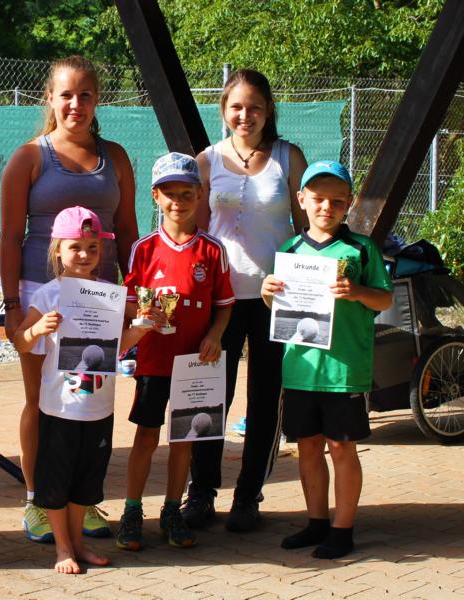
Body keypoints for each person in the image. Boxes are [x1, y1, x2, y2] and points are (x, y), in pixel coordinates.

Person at [0, 55, 138, 543]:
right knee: (42, 402)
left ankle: (81, 500)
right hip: (41, 295)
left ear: (97, 100)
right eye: (66, 94)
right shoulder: (29, 157)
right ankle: (37, 500)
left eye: (85, 95)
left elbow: (128, 231)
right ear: (50, 98)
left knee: (87, 401)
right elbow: (10, 237)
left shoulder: (115, 157)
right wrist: (13, 308)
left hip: (99, 300)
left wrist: (131, 294)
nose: (75, 104)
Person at [185, 68, 308, 532]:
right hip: (220, 301)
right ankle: (201, 493)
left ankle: (248, 495)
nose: (245, 115)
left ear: (269, 110)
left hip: (276, 298)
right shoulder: (207, 160)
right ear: (223, 109)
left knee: (265, 398)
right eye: (236, 106)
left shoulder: (287, 157)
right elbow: (195, 234)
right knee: (209, 395)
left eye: (254, 107)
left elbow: (306, 229)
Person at [261, 161, 392, 559]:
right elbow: (277, 306)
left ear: (348, 203)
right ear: (301, 199)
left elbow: (384, 300)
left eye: (337, 201)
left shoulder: (361, 249)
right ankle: (316, 522)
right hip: (300, 370)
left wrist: (357, 292)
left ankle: (342, 529)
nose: (326, 207)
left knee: (342, 448)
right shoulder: (289, 250)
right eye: (318, 199)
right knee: (308, 448)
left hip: (344, 371)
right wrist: (267, 292)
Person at [116, 153, 234, 551]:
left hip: (194, 364)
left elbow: (224, 305)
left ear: (200, 195)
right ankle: (132, 511)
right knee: (146, 435)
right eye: (169, 194)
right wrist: (141, 316)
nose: (178, 201)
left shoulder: (213, 250)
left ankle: (171, 510)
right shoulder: (143, 249)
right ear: (155, 196)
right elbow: (129, 303)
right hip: (153, 359)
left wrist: (215, 335)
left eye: (186, 193)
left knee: (184, 438)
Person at [13, 206, 139, 574]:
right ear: (57, 250)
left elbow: (116, 347)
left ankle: (79, 545)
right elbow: (20, 342)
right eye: (75, 247)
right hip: (61, 408)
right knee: (56, 481)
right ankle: (63, 548)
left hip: (99, 406)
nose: (84, 255)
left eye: (92, 247)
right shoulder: (48, 295)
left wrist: (142, 330)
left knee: (87, 481)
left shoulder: (109, 295)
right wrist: (36, 330)